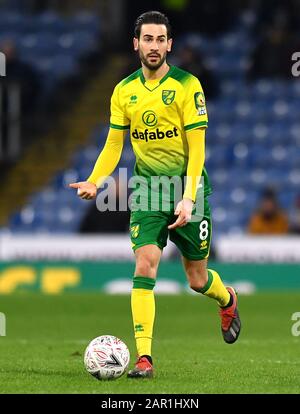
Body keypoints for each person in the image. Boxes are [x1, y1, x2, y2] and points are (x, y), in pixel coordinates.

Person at [69, 11, 241, 378]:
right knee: (145, 265)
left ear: (169, 45)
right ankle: (144, 358)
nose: (154, 46)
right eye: (147, 39)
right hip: (148, 190)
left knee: (196, 279)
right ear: (136, 43)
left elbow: (198, 149)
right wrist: (95, 180)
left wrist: (189, 197)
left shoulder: (186, 85)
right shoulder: (124, 90)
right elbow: (114, 143)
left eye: (160, 40)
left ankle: (227, 298)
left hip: (186, 188)